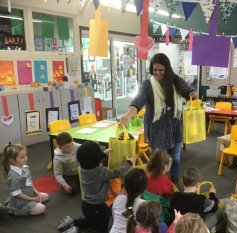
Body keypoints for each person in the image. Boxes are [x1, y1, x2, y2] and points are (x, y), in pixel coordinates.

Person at [120, 53, 198, 184]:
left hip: (175, 128)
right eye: (154, 70)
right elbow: (137, 102)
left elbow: (189, 91)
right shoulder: (147, 85)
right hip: (157, 130)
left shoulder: (176, 81)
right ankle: (160, 184)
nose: (157, 73)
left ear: (167, 69)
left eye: (161, 70)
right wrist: (128, 115)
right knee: (160, 161)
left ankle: (173, 180)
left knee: (176, 158)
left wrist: (192, 93)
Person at [57, 140, 137, 233]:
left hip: (86, 204)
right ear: (96, 158)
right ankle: (75, 231)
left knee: (91, 221)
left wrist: (103, 154)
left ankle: (72, 222)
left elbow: (90, 159)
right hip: (98, 206)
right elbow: (117, 173)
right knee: (101, 228)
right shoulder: (100, 171)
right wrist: (129, 162)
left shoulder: (83, 167)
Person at [1, 143, 49, 216]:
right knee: (42, 208)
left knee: (46, 196)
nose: (25, 158)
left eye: (25, 155)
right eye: (22, 157)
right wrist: (33, 199)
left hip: (29, 194)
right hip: (21, 201)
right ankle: (17, 210)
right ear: (12, 160)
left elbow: (29, 183)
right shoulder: (13, 176)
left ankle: (34, 203)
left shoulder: (25, 167)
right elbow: (18, 195)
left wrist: (36, 192)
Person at [110, 168, 148, 233]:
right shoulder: (145, 206)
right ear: (144, 189)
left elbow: (114, 217)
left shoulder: (118, 199)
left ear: (124, 186)